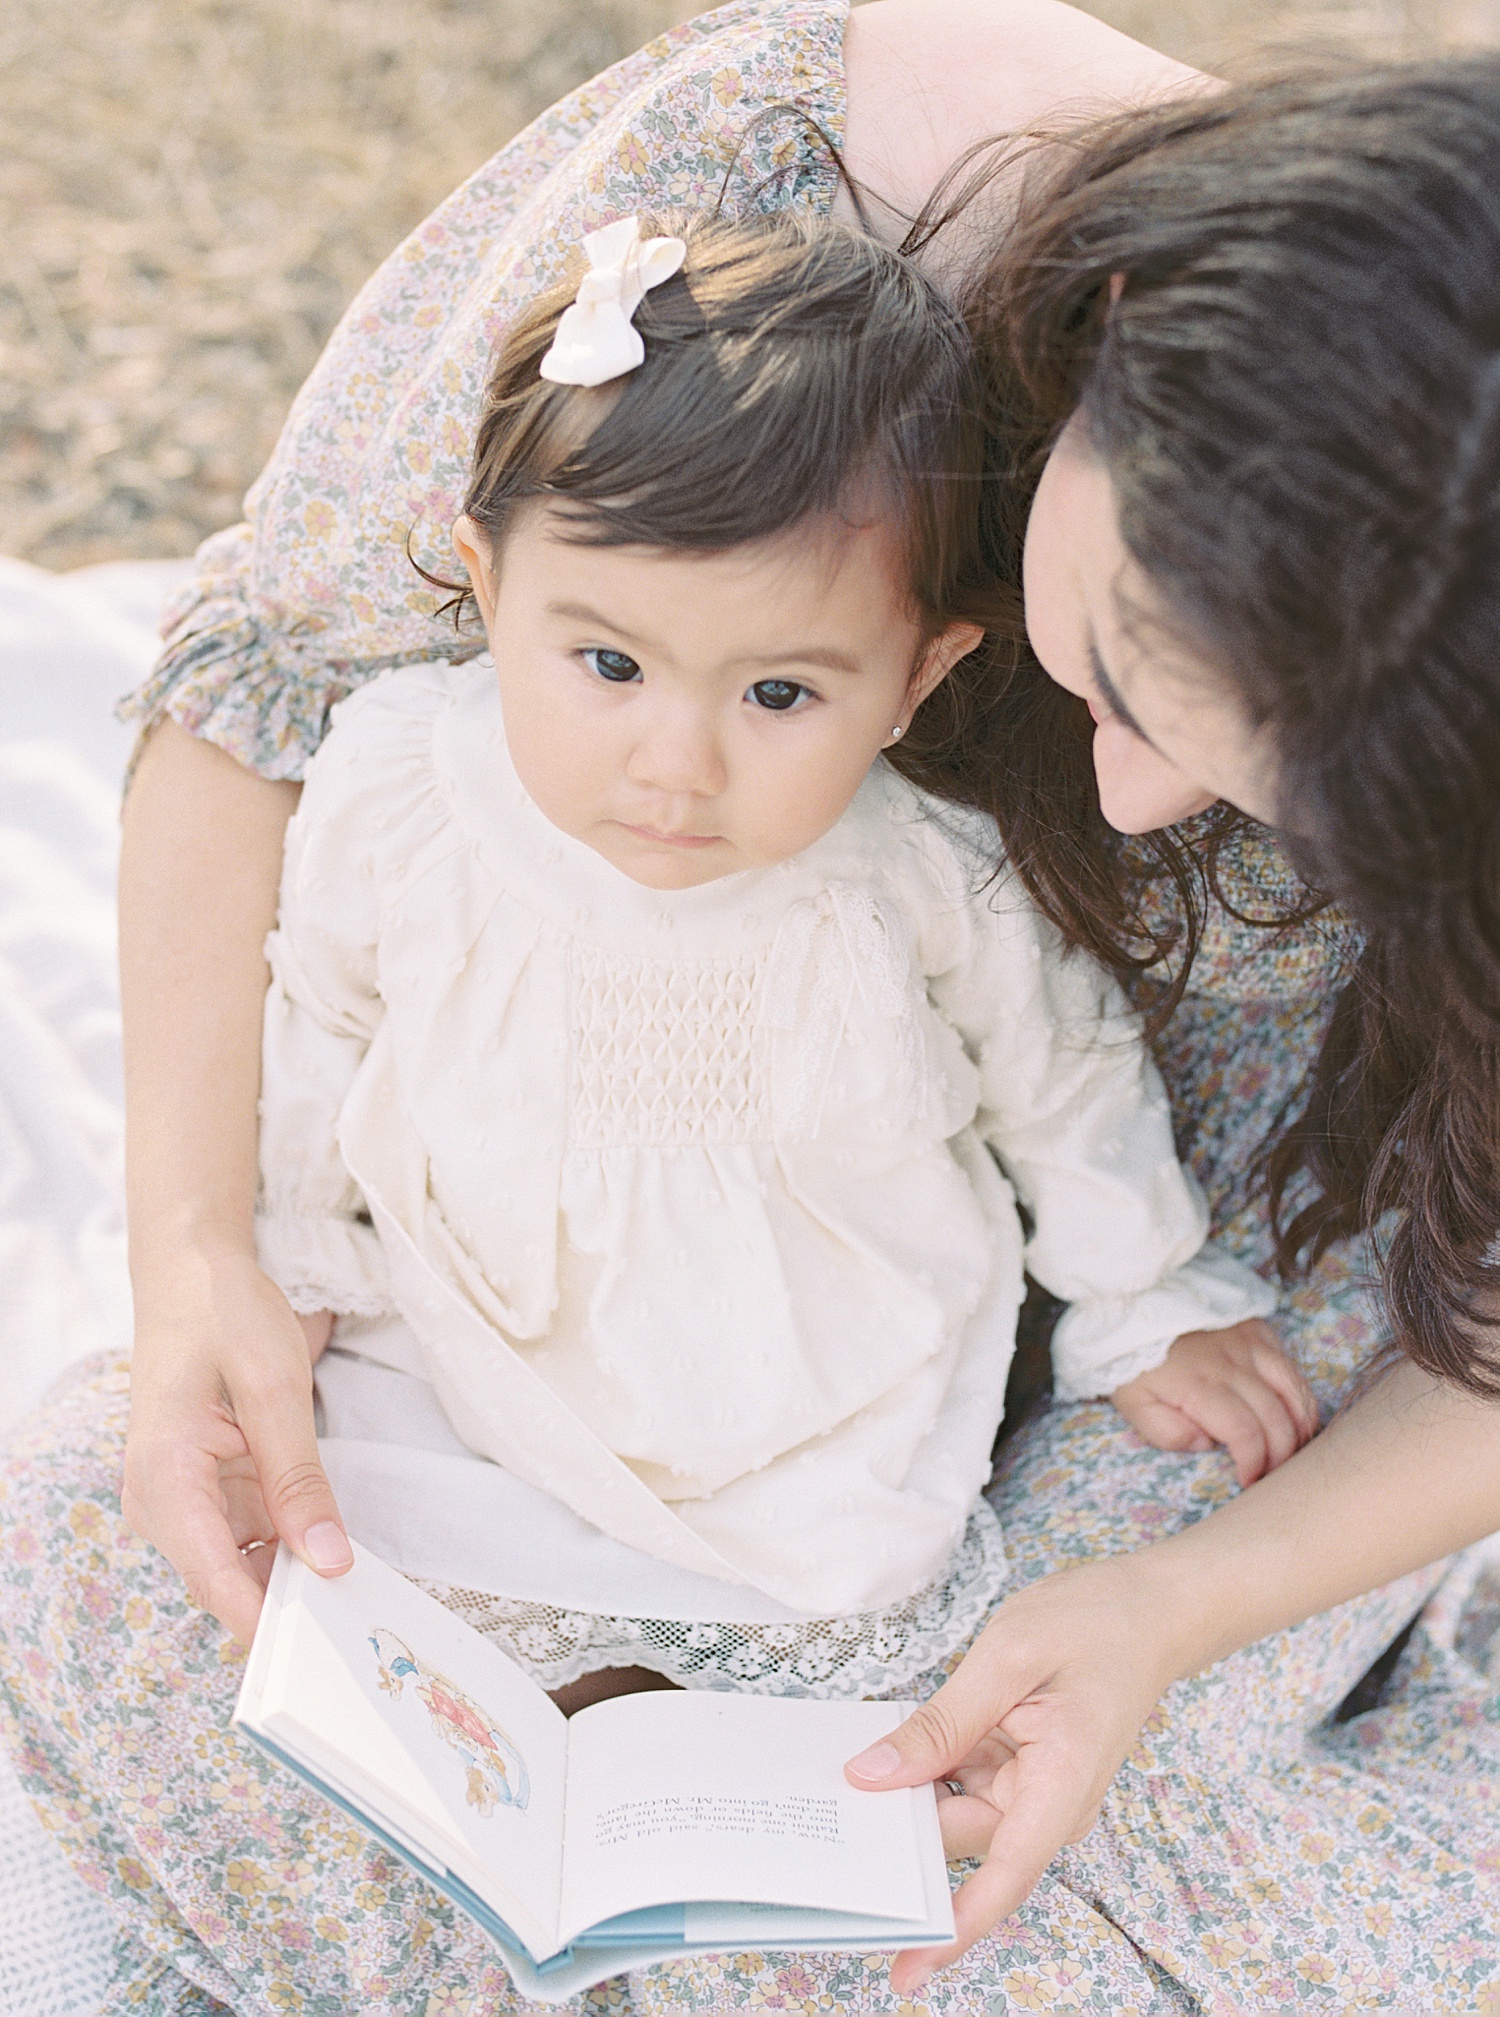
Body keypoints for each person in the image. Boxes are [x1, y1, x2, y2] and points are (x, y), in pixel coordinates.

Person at [0, 1, 1496, 2010]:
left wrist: (1175, 1602)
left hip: (1230, 1331)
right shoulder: (781, 183)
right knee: (116, 1540)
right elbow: (273, 674)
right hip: (580, 1303)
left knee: (920, 1903)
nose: (1135, 802)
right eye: (1125, 680)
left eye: (1284, 802)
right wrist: (199, 1247)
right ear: (1127, 329)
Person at [252, 203, 1294, 1701]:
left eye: (782, 695)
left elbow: (1059, 1074)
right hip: (469, 1309)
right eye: (607, 665)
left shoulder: (917, 865)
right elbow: (325, 1011)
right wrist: (296, 1238)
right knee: (343, 1529)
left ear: (919, 673)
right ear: (487, 591)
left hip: (806, 1365)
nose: (677, 764)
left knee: (831, 1604)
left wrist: (1144, 1296)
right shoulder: (411, 787)